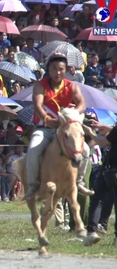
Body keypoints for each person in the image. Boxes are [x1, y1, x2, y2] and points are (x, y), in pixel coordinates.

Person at [24, 51, 94, 200]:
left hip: (66, 130)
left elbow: (82, 104)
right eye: (54, 68)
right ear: (48, 69)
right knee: (33, 150)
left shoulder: (71, 86)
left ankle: (79, 181)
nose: (58, 72)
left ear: (66, 69)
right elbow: (37, 105)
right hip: (45, 129)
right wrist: (47, 119)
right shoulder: (40, 85)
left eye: (61, 69)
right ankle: (33, 185)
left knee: (86, 150)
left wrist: (73, 114)